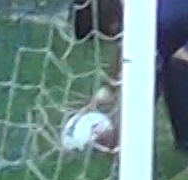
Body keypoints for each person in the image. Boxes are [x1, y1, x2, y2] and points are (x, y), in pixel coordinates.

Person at [71, 0, 188, 167]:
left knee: (180, 63)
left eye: (107, 36)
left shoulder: (155, 24)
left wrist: (120, 136)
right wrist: (108, 88)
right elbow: (127, 55)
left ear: (112, 25)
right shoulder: (144, 11)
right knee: (173, 63)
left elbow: (145, 84)